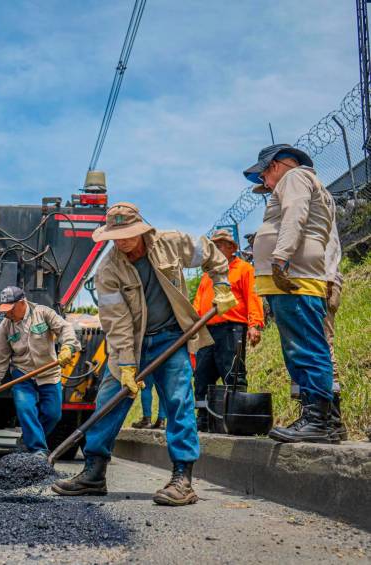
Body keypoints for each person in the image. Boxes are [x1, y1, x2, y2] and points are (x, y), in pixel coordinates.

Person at [52, 202, 235, 505]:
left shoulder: (171, 244)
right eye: (116, 235)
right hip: (131, 346)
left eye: (128, 234)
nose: (122, 241)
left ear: (141, 229)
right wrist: (125, 365)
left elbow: (212, 255)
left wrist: (222, 284)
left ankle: (182, 479)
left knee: (179, 401)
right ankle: (93, 472)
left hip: (172, 339)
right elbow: (116, 321)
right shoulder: (109, 270)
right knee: (108, 403)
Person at [243, 143, 336, 443]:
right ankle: (325, 419)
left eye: (265, 176)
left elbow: (295, 214)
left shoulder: (295, 178)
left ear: (277, 165)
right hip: (291, 277)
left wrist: (280, 258)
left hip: (293, 275)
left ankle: (318, 419)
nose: (265, 184)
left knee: (306, 347)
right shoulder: (300, 181)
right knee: (301, 346)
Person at [0, 286, 80, 456]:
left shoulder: (43, 313)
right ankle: (38, 450)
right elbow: (0, 359)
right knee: (26, 409)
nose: (7, 314)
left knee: (53, 414)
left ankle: (27, 439)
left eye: (10, 310)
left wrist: (68, 347)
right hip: (22, 374)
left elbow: (65, 328)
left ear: (22, 303)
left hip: (49, 373)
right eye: (4, 310)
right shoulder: (5, 327)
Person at [192, 229, 264, 431]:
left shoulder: (243, 269)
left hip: (232, 329)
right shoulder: (209, 274)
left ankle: (236, 418)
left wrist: (254, 324)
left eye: (219, 245)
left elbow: (253, 296)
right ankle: (204, 419)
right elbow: (198, 302)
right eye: (212, 245)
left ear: (231, 248)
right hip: (207, 332)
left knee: (233, 374)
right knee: (202, 376)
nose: (215, 249)